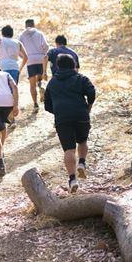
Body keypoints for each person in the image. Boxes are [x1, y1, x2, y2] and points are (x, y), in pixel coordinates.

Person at [44, 55, 95, 193]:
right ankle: (82, 163)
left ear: (58, 67)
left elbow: (47, 105)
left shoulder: (52, 82)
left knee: (69, 150)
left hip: (62, 119)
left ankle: (72, 179)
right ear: (74, 65)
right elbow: (92, 92)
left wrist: (58, 111)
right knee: (82, 141)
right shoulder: (81, 78)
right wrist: (88, 107)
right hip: (81, 115)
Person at [19, 19, 48, 108]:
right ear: (34, 25)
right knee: (40, 77)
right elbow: (45, 46)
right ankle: (40, 86)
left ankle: (35, 104)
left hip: (30, 60)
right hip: (40, 58)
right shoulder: (39, 33)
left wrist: (23, 57)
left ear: (25, 26)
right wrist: (43, 54)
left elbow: (19, 48)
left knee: (32, 84)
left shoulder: (21, 35)